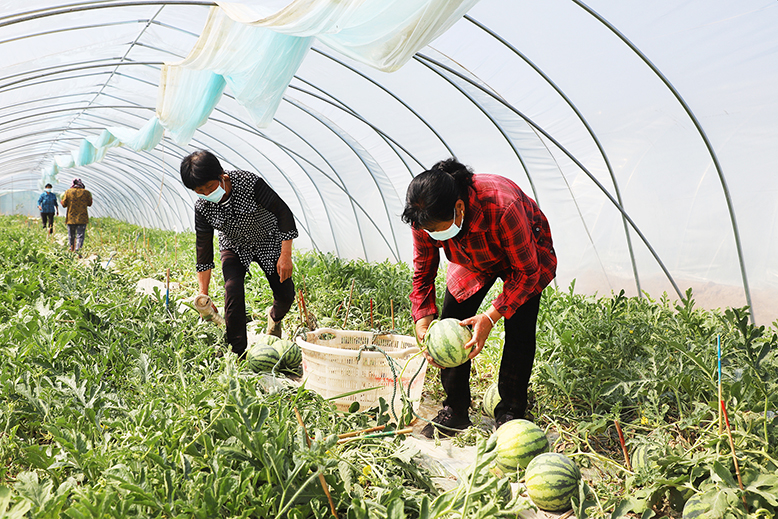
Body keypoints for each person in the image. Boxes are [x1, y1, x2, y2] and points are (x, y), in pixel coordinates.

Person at [401, 158, 557, 438]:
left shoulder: (503, 205)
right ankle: (456, 410)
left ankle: (511, 411)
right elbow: (423, 271)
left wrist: (490, 316)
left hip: (522, 254)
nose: (434, 235)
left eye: (438, 229)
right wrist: (423, 320)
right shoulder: (423, 217)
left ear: (459, 208)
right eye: (430, 231)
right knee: (451, 323)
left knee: (519, 329)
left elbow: (527, 272)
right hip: (471, 258)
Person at [180, 150, 298, 357]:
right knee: (232, 290)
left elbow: (283, 212)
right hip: (234, 245)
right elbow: (203, 248)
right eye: (200, 190)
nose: (207, 194)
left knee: (285, 294)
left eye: (210, 187)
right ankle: (237, 352)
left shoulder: (248, 183)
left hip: (268, 238)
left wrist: (285, 255)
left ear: (222, 177)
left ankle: (275, 318)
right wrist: (203, 294)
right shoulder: (203, 207)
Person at [60, 178, 93, 253]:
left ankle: (71, 249)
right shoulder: (86, 193)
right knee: (80, 235)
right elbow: (90, 204)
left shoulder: (68, 192)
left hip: (71, 218)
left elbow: (64, 205)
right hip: (82, 217)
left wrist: (61, 200)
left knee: (71, 235)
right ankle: (78, 250)